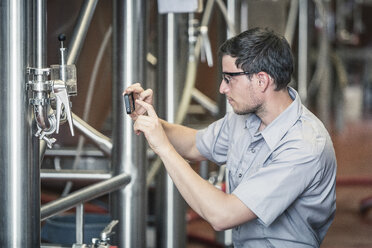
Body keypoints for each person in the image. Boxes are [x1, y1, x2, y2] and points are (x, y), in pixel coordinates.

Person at [124, 27, 337, 248]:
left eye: (229, 79)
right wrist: (153, 121)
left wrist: (163, 148)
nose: (222, 88)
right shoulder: (246, 118)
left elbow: (222, 215)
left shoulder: (304, 145)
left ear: (261, 81)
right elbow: (193, 145)